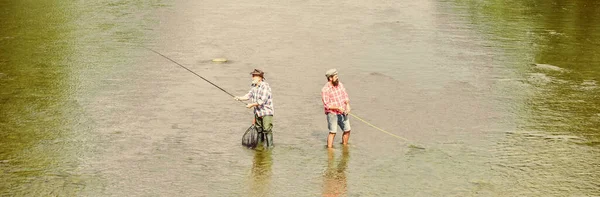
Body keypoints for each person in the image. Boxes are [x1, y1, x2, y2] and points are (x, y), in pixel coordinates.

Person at [235, 69, 274, 148]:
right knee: (259, 130)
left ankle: (270, 147)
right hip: (258, 112)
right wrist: (239, 98)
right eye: (252, 76)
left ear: (260, 77)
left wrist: (251, 105)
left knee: (266, 130)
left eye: (254, 76)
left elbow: (262, 101)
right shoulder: (254, 86)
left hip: (266, 112)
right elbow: (248, 96)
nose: (252, 77)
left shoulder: (265, 86)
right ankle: (260, 147)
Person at [321, 69, 351, 148]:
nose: (337, 78)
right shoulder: (325, 90)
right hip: (332, 114)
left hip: (343, 112)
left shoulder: (340, 84)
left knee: (347, 130)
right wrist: (337, 107)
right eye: (335, 77)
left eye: (337, 76)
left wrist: (347, 105)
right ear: (330, 78)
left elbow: (345, 95)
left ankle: (345, 146)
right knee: (333, 132)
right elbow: (327, 105)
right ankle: (330, 149)